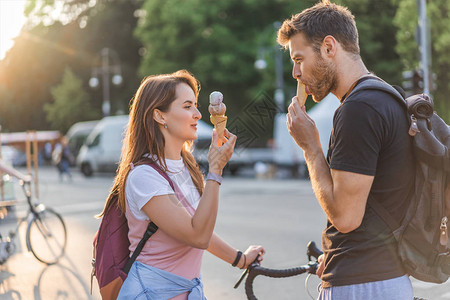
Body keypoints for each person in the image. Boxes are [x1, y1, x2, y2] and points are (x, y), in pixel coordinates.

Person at [277, 1, 415, 299]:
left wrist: (311, 146)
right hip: (382, 276)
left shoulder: (358, 108)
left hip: (362, 284)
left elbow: (346, 216)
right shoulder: (386, 96)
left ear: (329, 47)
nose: (295, 73)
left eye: (299, 59)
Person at [99, 70, 265, 299]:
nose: (198, 114)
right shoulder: (144, 176)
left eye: (196, 106)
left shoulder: (185, 166)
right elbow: (198, 235)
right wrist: (215, 170)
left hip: (188, 291)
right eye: (187, 106)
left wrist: (240, 259)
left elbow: (198, 227)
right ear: (160, 116)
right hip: (151, 293)